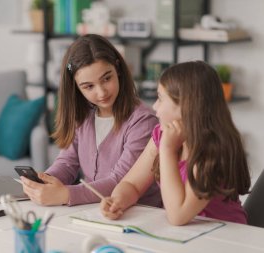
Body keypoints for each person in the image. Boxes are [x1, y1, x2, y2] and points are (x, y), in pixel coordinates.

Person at [101, 61, 251, 225]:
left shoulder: (212, 151)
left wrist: (167, 149)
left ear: (186, 106)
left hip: (226, 236)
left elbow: (178, 216)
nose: (154, 105)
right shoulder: (162, 133)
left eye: (160, 98)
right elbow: (132, 184)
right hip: (188, 234)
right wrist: (117, 200)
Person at [20, 34, 161, 207]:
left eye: (107, 79)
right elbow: (66, 163)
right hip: (92, 210)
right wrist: (44, 183)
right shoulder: (83, 115)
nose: (101, 93)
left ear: (117, 68)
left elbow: (120, 181)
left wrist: (65, 194)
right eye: (89, 86)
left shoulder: (143, 122)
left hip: (138, 212)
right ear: (76, 88)